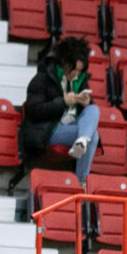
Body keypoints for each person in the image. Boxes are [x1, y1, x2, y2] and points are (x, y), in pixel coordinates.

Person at [20, 36, 99, 185]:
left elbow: (87, 116)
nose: (76, 74)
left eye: (79, 71)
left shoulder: (80, 80)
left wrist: (84, 103)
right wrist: (62, 102)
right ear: (63, 62)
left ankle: (82, 141)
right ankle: (81, 181)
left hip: (72, 125)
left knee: (93, 109)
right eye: (73, 69)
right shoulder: (42, 78)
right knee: (93, 136)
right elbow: (34, 111)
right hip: (50, 128)